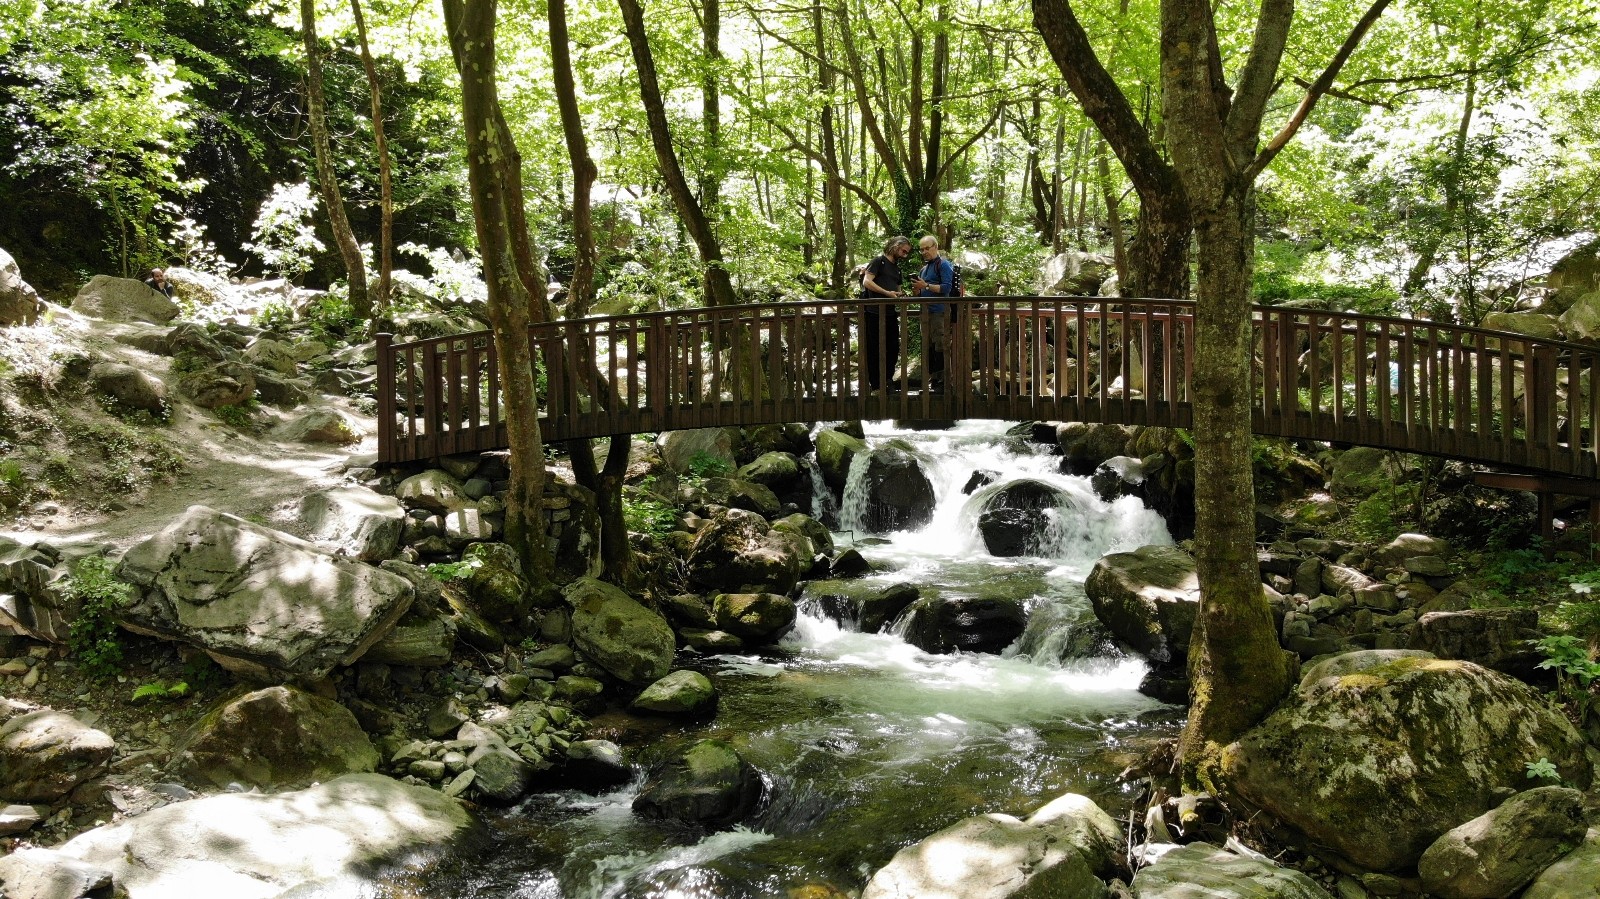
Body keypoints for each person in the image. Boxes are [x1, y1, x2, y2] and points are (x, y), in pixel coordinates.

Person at [861, 236, 911, 390]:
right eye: (903, 251)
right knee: (874, 348)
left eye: (907, 253)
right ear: (896, 246)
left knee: (893, 347)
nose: (905, 254)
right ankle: (876, 384)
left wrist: (900, 295)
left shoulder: (897, 268)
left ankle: (888, 379)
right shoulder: (878, 261)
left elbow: (898, 289)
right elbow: (867, 282)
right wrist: (886, 293)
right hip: (874, 312)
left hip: (890, 313)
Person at [909, 236, 955, 390]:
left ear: (935, 246)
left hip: (939, 312)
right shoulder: (923, 269)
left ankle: (943, 382)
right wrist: (917, 290)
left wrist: (926, 285)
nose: (924, 252)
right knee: (928, 347)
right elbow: (922, 293)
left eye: (927, 248)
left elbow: (946, 288)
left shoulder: (943, 265)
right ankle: (933, 381)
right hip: (925, 313)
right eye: (921, 249)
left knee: (940, 346)